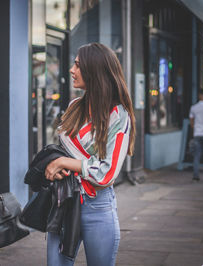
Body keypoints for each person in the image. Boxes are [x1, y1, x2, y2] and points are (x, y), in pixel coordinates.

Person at [44, 43, 136, 266]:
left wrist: (65, 162)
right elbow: (60, 151)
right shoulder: (75, 105)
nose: (71, 70)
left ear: (94, 71)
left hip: (98, 207)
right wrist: (56, 167)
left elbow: (106, 174)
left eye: (77, 65)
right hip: (65, 200)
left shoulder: (118, 116)